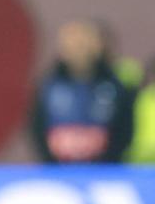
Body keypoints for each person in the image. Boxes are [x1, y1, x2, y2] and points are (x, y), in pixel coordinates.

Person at [31, 18, 133, 163]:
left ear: (97, 46)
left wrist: (108, 161)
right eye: (73, 44)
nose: (79, 50)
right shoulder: (48, 87)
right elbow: (36, 129)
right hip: (59, 172)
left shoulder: (114, 87)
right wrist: (51, 162)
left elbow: (125, 129)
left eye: (83, 43)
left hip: (105, 171)